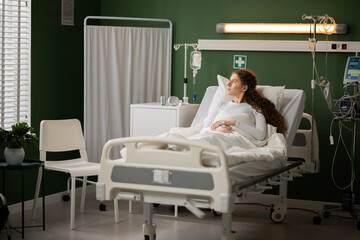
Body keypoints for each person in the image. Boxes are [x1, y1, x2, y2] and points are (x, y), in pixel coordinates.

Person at [209, 69, 286, 141]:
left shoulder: (255, 110)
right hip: (213, 137)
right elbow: (205, 127)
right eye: (229, 80)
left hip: (235, 140)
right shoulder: (221, 105)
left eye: (234, 81)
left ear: (244, 88)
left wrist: (232, 122)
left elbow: (260, 135)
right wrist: (216, 129)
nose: (228, 84)